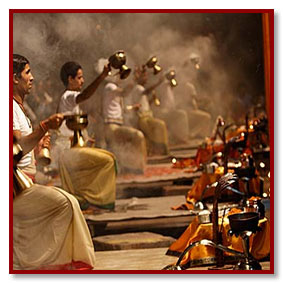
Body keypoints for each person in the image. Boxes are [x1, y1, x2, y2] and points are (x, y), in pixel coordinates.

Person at [12, 54, 95, 270]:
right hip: (14, 191)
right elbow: (19, 145)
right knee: (67, 203)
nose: (32, 78)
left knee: (66, 201)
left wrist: (41, 143)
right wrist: (44, 127)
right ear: (14, 78)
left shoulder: (17, 107)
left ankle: (37, 261)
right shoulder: (9, 107)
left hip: (25, 183)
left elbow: (23, 151)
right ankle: (54, 266)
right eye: (27, 72)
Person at [57, 61, 116, 210]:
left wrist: (86, 138)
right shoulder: (68, 96)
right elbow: (85, 95)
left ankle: (88, 197)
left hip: (73, 148)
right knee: (108, 160)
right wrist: (102, 76)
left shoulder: (71, 99)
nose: (82, 81)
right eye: (79, 77)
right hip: (68, 150)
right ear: (70, 79)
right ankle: (99, 201)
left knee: (105, 158)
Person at [100, 59, 147, 175]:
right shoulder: (110, 86)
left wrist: (132, 108)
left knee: (135, 136)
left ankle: (131, 166)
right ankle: (136, 168)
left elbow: (123, 109)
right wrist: (135, 78)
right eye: (119, 74)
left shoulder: (113, 89)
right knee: (138, 136)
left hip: (116, 126)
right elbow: (125, 92)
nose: (121, 77)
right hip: (111, 128)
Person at [130, 66, 169, 156]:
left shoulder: (140, 88)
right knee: (160, 125)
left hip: (148, 116)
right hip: (143, 119)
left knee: (159, 126)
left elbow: (144, 104)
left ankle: (159, 150)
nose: (146, 79)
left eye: (146, 76)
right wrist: (158, 83)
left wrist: (152, 100)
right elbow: (146, 91)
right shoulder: (138, 88)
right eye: (144, 76)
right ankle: (161, 150)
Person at [152, 70, 189, 145]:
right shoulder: (162, 86)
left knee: (180, 114)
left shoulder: (169, 87)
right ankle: (182, 138)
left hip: (169, 110)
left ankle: (178, 137)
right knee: (182, 114)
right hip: (162, 111)